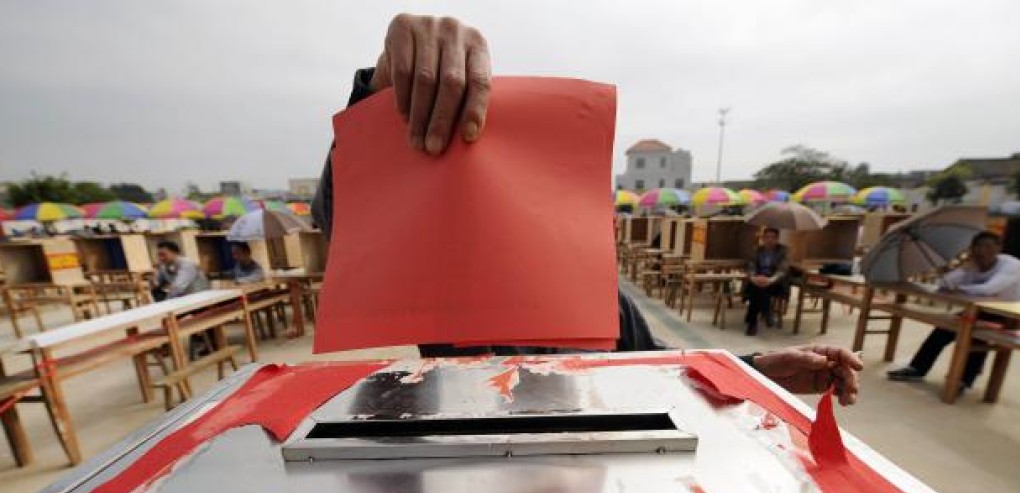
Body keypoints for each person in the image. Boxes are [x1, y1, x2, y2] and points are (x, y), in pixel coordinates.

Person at [312, 13, 862, 406]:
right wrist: (379, 102)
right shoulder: (458, 293)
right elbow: (353, 225)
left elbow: (661, 367)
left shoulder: (606, 304)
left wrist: (759, 371)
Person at [888, 231, 1020, 393]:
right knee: (943, 329)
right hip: (977, 311)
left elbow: (988, 289)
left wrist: (959, 288)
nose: (981, 251)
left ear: (999, 248)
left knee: (973, 334)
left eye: (987, 246)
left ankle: (964, 380)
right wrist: (955, 269)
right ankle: (917, 369)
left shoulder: (1011, 265)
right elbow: (944, 283)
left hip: (1008, 316)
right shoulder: (972, 265)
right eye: (977, 247)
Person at [744, 226, 789, 336]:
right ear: (763, 238)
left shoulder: (783, 251)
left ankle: (752, 322)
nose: (770, 240)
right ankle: (766, 310)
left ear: (777, 239)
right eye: (767, 237)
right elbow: (751, 266)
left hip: (775, 282)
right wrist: (753, 278)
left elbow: (782, 270)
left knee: (759, 290)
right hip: (758, 279)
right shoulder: (757, 250)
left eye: (773, 237)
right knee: (757, 288)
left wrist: (770, 280)